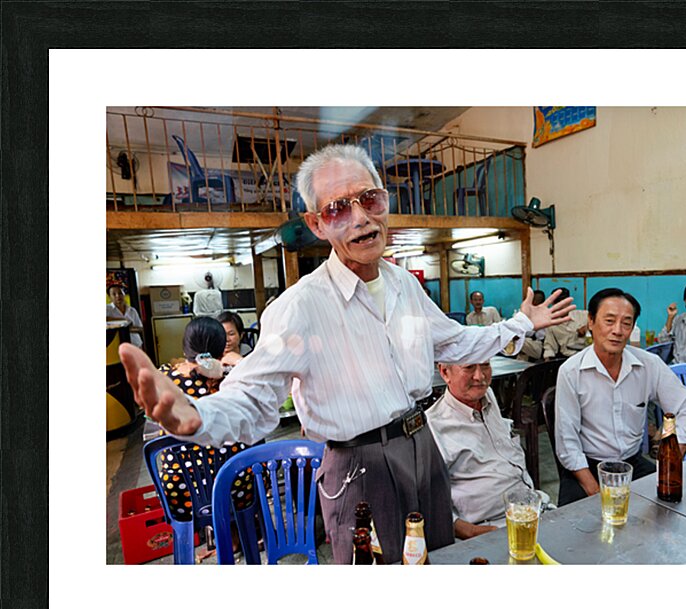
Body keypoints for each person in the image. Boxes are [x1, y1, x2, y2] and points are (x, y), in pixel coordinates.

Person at [118, 143, 575, 565]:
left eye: (369, 199)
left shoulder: (404, 286)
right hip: (359, 465)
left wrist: (521, 324)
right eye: (338, 208)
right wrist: (198, 416)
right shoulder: (301, 307)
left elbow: (455, 341)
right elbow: (254, 395)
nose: (360, 218)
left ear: (385, 204)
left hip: (423, 447)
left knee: (437, 561)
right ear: (316, 224)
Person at [555, 288, 686, 507]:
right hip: (587, 468)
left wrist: (672, 462)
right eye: (609, 320)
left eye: (626, 323)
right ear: (591, 322)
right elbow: (567, 442)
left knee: (672, 510)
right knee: (577, 531)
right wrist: (596, 491)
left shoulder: (649, 364)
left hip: (633, 465)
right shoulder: (571, 371)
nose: (618, 331)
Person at [152, 317, 255, 541]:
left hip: (181, 493)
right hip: (234, 489)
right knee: (253, 459)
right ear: (221, 350)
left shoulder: (163, 380)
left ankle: (211, 536)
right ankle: (241, 534)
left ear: (186, 347)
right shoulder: (233, 379)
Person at [427, 360, 549, 539]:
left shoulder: (487, 396)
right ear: (445, 372)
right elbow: (426, 503)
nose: (480, 376)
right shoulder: (433, 427)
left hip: (535, 509)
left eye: (485, 365)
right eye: (468, 368)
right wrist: (472, 531)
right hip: (492, 527)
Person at [542, 288, 589, 360]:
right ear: (553, 304)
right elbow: (549, 346)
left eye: (564, 302)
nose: (561, 305)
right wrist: (547, 361)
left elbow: (600, 322)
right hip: (568, 357)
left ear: (569, 302)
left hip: (587, 354)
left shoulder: (583, 315)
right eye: (558, 302)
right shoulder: (551, 323)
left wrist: (588, 327)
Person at [106, 284, 143, 349]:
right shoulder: (107, 309)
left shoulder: (132, 310)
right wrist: (124, 321)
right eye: (114, 294)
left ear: (124, 294)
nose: (118, 296)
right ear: (109, 297)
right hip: (116, 348)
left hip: (136, 344)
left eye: (120, 293)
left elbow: (140, 328)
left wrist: (126, 328)